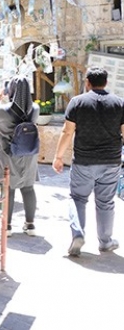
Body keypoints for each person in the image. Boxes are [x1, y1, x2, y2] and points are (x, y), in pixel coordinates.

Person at [53, 67, 124, 256]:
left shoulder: (77, 102)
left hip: (83, 161)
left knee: (77, 198)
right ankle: (106, 242)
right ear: (106, 83)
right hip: (111, 162)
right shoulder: (119, 103)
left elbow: (67, 132)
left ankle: (78, 233)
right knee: (105, 202)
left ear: (87, 82)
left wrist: (58, 157)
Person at [0, 76, 40, 237]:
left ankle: (7, 227)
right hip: (28, 152)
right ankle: (30, 225)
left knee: (8, 189)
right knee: (28, 188)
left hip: (9, 153)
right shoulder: (35, 109)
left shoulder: (4, 111)